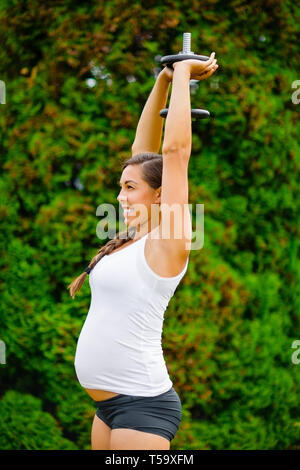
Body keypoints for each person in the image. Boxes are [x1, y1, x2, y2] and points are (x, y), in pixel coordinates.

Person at [68, 52, 218, 450]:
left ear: (160, 195)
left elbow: (174, 155)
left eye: (130, 188)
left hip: (144, 407)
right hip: (109, 408)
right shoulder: (133, 237)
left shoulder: (168, 240)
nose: (120, 196)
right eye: (121, 186)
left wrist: (184, 75)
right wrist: (163, 80)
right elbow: (144, 151)